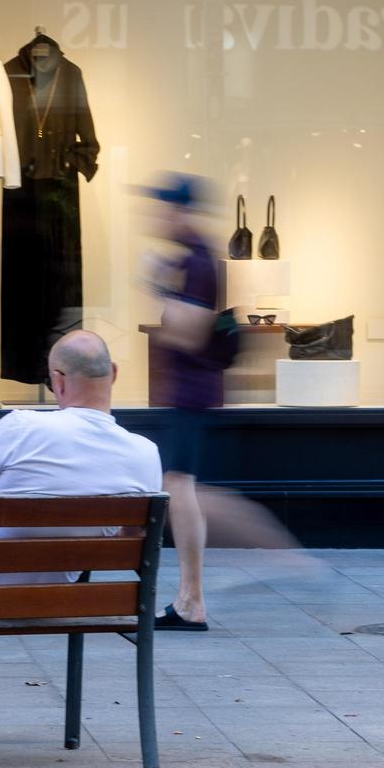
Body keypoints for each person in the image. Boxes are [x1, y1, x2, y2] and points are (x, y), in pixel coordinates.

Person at [0, 330, 162, 744]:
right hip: (63, 590)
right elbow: (130, 544)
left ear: (57, 380)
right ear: (113, 374)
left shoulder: (20, 425)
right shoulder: (145, 452)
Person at [144, 173, 223, 632]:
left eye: (162, 208)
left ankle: (192, 601)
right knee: (181, 487)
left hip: (193, 393)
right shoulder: (192, 259)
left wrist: (161, 291)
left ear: (180, 211)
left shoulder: (196, 261)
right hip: (191, 393)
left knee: (181, 489)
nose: (156, 217)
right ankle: (190, 598)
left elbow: (188, 334)